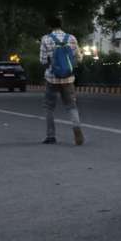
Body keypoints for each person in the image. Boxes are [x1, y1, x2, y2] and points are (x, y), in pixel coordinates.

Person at [39, 16, 84, 145]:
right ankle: (77, 130)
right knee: (71, 106)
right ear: (61, 25)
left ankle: (51, 136)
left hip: (52, 78)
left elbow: (42, 60)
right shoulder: (71, 38)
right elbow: (78, 58)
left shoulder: (46, 39)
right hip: (68, 78)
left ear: (49, 26)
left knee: (49, 107)